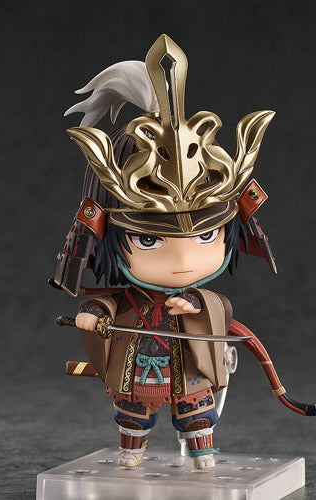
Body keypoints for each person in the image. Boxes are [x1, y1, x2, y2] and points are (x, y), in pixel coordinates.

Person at [53, 34, 286, 469]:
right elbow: (111, 304)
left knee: (195, 411)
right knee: (133, 413)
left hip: (188, 370)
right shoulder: (130, 293)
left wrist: (196, 303)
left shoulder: (197, 297)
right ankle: (131, 452)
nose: (183, 261)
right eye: (148, 240)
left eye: (206, 236)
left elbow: (219, 310)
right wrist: (95, 314)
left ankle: (202, 454)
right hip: (135, 368)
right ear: (103, 235)